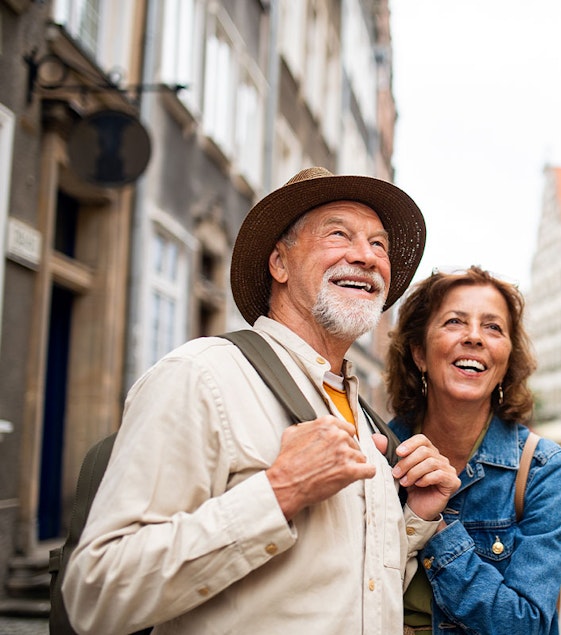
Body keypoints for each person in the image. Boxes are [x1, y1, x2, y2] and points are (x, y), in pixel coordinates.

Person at [62, 167, 461, 634]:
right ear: (280, 263)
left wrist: (415, 517)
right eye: (339, 234)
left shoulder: (367, 421)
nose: (366, 256)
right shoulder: (201, 375)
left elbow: (352, 591)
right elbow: (97, 593)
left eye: (380, 245)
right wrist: (279, 492)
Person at [383, 266, 561, 634]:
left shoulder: (540, 468)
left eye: (493, 327)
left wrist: (435, 529)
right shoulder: (377, 452)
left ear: (505, 363)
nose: (474, 337)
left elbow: (527, 624)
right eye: (454, 321)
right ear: (420, 353)